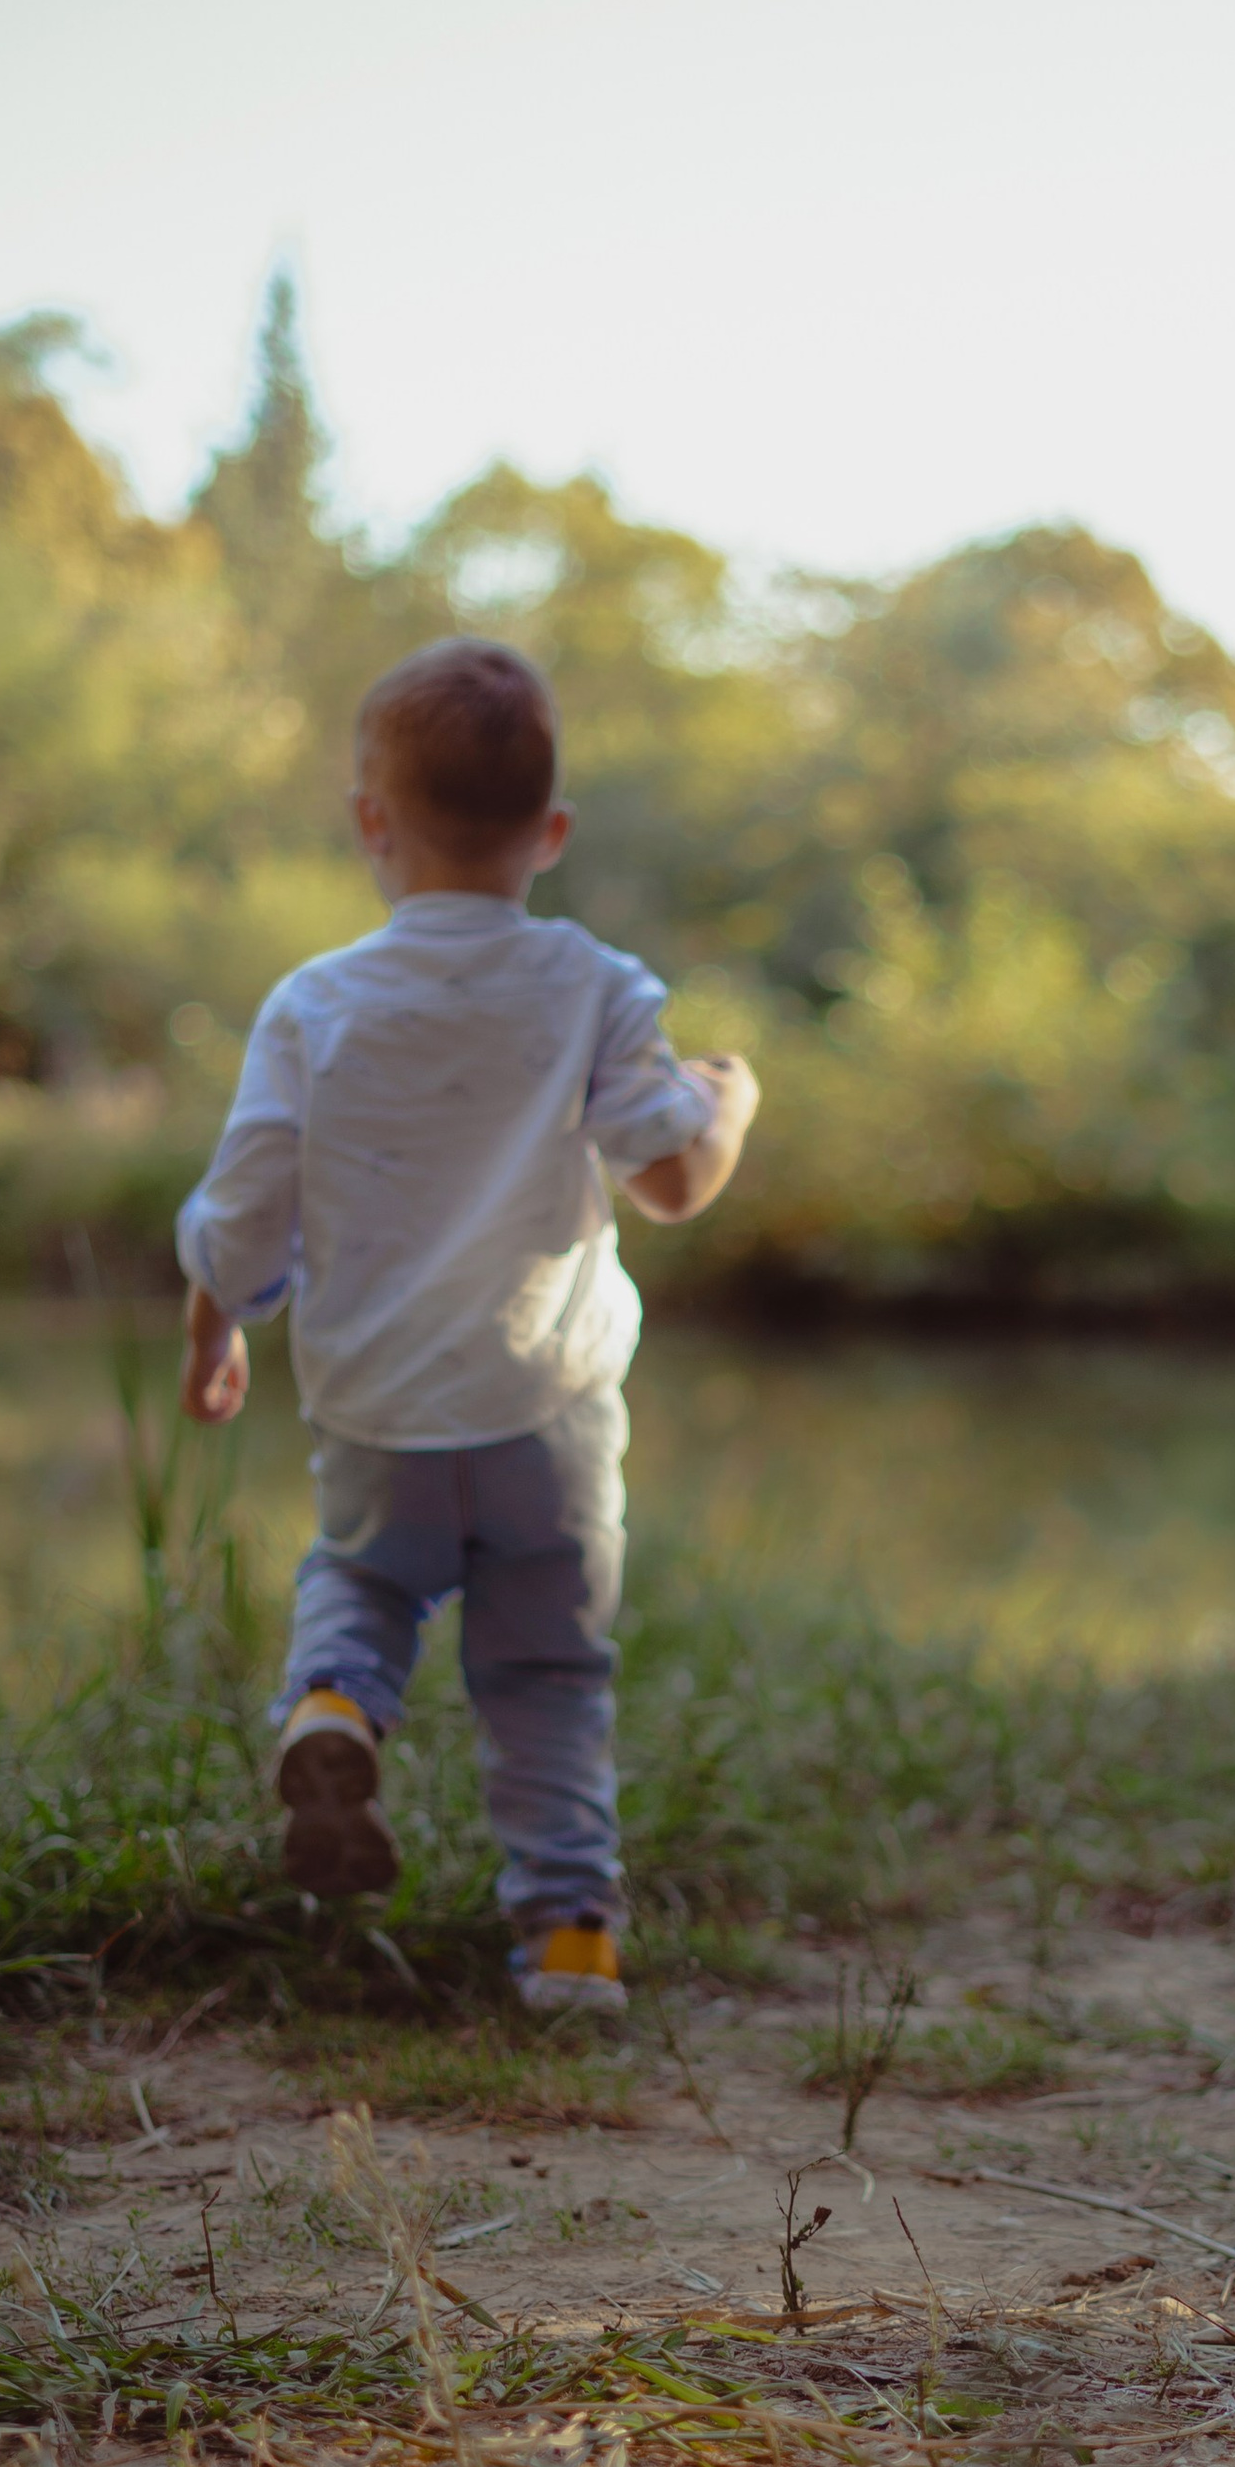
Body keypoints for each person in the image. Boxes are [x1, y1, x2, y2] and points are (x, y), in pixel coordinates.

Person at [176, 637, 759, 2011]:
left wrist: (213, 1331)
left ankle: (334, 1703)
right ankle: (569, 1939)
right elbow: (671, 1183)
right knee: (549, 1672)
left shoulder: (313, 1005)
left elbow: (246, 1204)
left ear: (370, 824)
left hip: (377, 1405)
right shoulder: (599, 986)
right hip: (546, 1413)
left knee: (363, 1581)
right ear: (551, 832)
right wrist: (728, 1106)